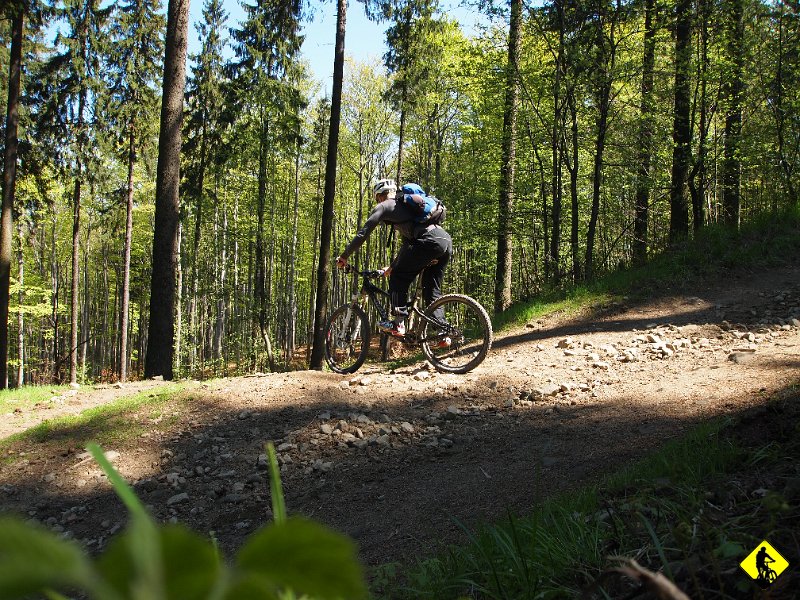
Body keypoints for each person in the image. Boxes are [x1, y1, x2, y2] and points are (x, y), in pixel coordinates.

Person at [336, 178, 452, 337]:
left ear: (380, 196)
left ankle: (398, 323)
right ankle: (444, 332)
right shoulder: (408, 212)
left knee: (398, 277)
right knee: (431, 290)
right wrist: (391, 267)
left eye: (377, 198)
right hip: (444, 240)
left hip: (429, 242)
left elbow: (364, 233)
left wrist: (344, 256)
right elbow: (407, 246)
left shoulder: (385, 206)